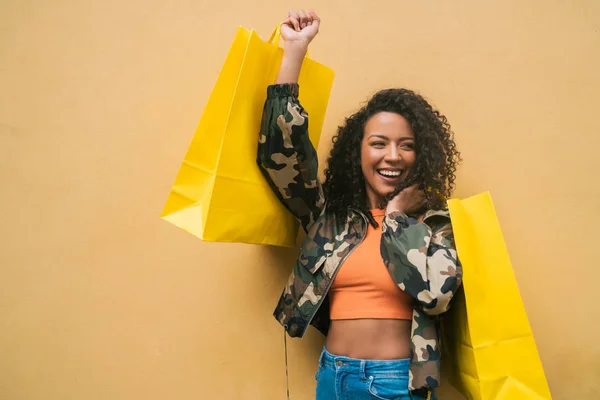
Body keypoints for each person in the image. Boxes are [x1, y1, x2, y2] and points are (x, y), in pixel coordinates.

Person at [257, 9, 462, 400]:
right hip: (333, 376)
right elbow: (279, 157)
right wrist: (294, 52)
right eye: (379, 143)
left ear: (422, 155)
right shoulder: (329, 215)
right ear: (358, 151)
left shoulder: (436, 223)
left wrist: (398, 218)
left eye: (407, 145)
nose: (392, 156)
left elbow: (437, 295)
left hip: (396, 383)